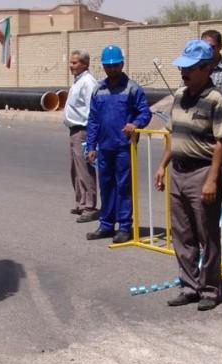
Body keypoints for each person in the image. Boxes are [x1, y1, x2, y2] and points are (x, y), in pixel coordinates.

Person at [153, 40, 222, 311]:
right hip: (178, 171)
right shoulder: (179, 95)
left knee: (206, 234)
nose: (183, 72)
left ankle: (210, 289)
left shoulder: (217, 100)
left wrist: (212, 179)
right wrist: (162, 165)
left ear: (206, 68)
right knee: (182, 233)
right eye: (182, 67)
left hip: (202, 172)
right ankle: (189, 285)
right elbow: (172, 135)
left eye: (189, 68)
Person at [85, 45, 152, 244]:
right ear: (103, 67)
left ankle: (124, 226)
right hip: (104, 147)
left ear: (122, 64)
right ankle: (106, 225)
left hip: (124, 147)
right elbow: (93, 120)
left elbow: (145, 112)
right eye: (108, 66)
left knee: (123, 186)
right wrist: (91, 146)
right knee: (106, 186)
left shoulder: (133, 88)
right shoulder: (98, 89)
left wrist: (136, 124)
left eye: (115, 65)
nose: (112, 69)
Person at [64, 50, 100, 224]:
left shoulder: (88, 82)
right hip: (74, 130)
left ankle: (90, 206)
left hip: (83, 130)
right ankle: (81, 202)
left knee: (85, 169)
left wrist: (92, 137)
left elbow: (92, 110)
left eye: (75, 63)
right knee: (75, 169)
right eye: (71, 63)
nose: (71, 66)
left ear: (85, 64)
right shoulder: (78, 81)